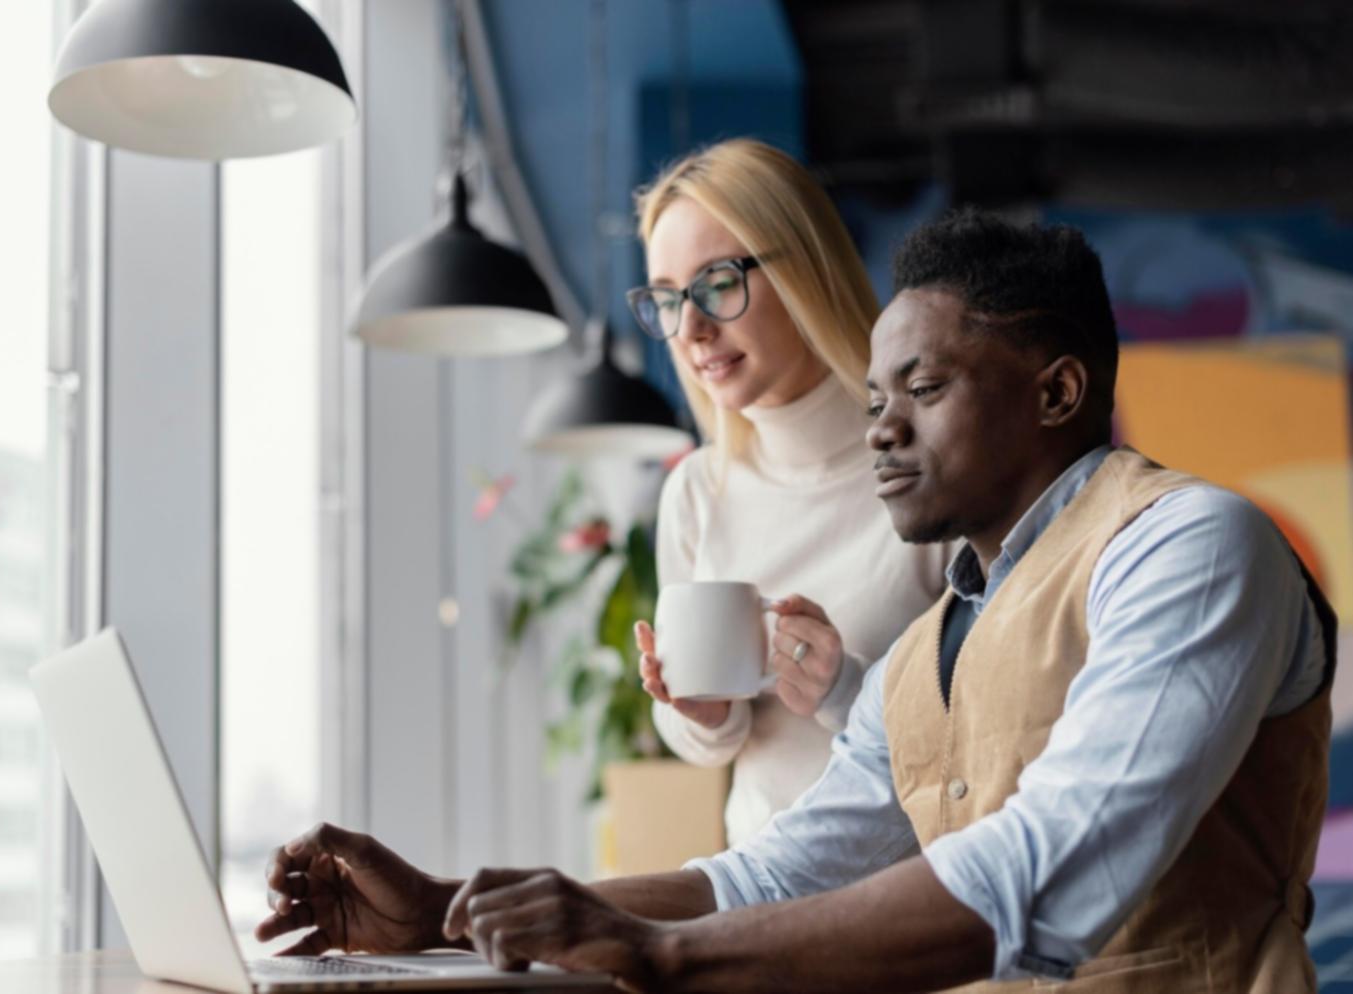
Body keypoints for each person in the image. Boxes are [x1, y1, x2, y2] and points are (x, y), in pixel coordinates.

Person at [258, 210, 1333, 992]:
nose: (880, 428)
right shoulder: (924, 654)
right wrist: (447, 907)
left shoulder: (1188, 544)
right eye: (873, 399)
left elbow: (1043, 862)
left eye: (924, 388)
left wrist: (657, 953)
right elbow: (765, 875)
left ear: (1056, 391)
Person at [626, 138, 952, 845]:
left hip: (911, 912)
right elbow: (713, 743)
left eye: (717, 284)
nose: (692, 329)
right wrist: (702, 713)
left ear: (806, 268)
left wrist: (845, 693)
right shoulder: (695, 491)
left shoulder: (935, 468)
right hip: (757, 900)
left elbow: (999, 728)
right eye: (667, 300)